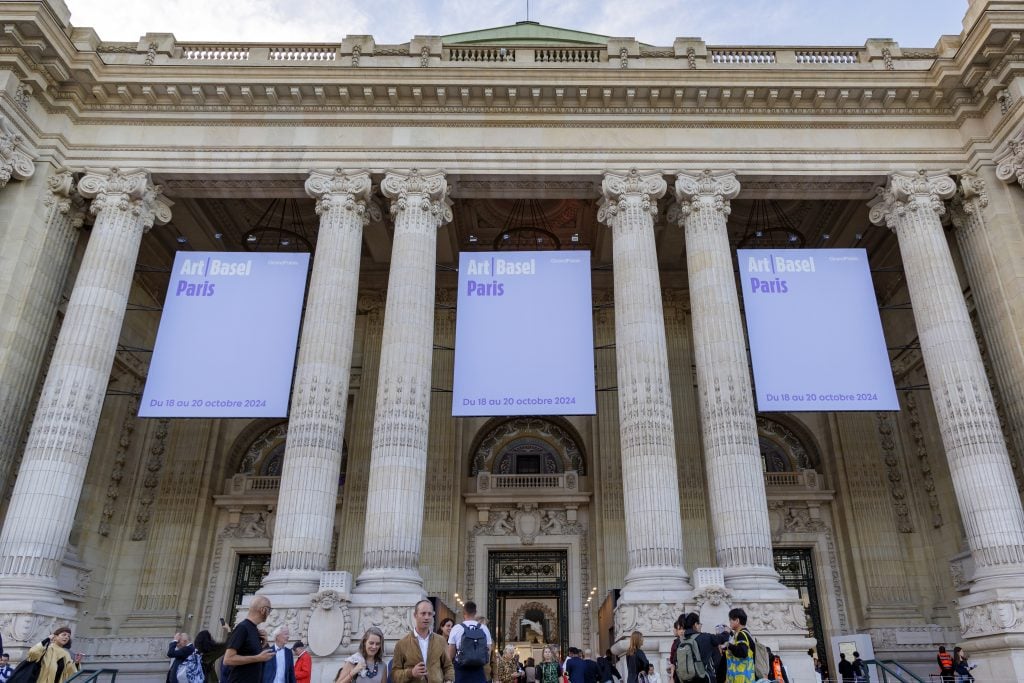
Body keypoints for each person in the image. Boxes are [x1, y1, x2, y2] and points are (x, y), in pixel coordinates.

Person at [393, 600, 454, 683]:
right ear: (415, 615)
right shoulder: (402, 644)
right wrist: (411, 673)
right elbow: (394, 674)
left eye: (429, 614)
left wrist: (449, 681)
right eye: (423, 613)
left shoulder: (440, 641)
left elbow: (448, 666)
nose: (426, 617)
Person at [224, 595, 275, 683]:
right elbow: (228, 659)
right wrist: (257, 658)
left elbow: (256, 655)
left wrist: (264, 643)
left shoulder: (255, 630)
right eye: (269, 610)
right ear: (263, 610)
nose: (269, 613)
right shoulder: (242, 628)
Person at [447, 601, 493, 683]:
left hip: (460, 671)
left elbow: (451, 655)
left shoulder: (456, 628)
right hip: (479, 670)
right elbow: (488, 652)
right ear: (475, 612)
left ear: (464, 613)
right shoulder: (484, 628)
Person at [679, 612, 727, 683]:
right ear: (695, 624)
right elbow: (721, 638)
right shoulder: (705, 637)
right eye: (699, 623)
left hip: (687, 679)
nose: (700, 626)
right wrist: (726, 632)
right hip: (704, 678)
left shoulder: (681, 641)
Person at [722, 609, 754, 683]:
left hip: (741, 678)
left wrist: (728, 645)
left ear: (737, 620)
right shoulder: (745, 633)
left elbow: (742, 652)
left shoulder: (741, 634)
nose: (729, 622)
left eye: (730, 620)